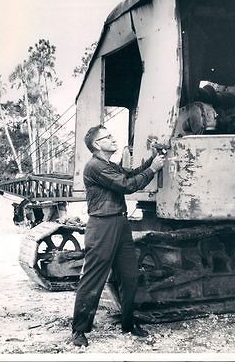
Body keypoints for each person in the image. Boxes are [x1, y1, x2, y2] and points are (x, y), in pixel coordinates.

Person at [71, 124, 165, 347]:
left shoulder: (107, 165)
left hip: (119, 223)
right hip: (102, 226)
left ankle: (128, 323)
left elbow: (130, 174)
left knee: (130, 275)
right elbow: (127, 185)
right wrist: (153, 169)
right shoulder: (95, 166)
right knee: (93, 278)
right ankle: (79, 330)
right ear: (97, 144)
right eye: (108, 137)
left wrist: (152, 160)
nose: (114, 139)